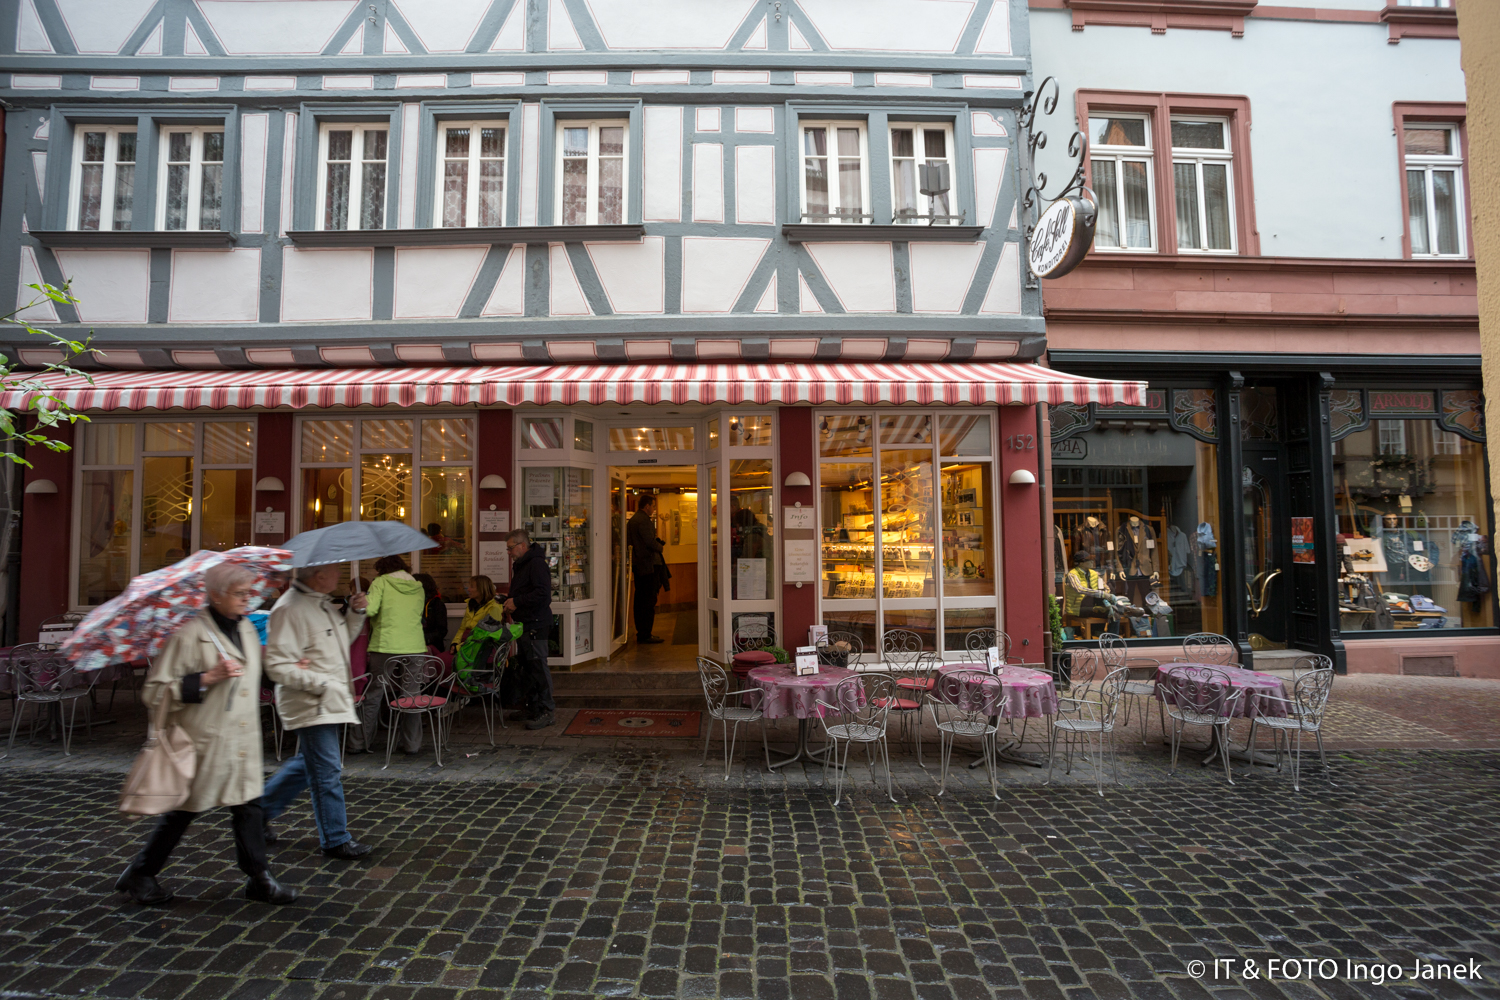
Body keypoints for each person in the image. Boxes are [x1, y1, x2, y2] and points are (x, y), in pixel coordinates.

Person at [115, 562, 296, 907]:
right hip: (204, 742)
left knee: (249, 807)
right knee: (182, 811)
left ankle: (259, 878)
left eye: (250, 592)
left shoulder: (245, 629)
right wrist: (206, 678)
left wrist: (286, 670)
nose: (248, 599)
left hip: (241, 741)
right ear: (215, 595)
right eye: (239, 593)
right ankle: (140, 873)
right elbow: (154, 693)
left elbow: (254, 674)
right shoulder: (188, 635)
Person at [258, 564, 374, 860]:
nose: (340, 575)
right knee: (327, 771)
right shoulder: (290, 608)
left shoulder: (319, 603)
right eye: (335, 571)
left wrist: (355, 612)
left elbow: (341, 640)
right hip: (311, 702)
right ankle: (335, 838)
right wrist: (321, 683)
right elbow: (277, 664)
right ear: (318, 576)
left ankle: (257, 814)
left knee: (307, 765)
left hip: (327, 700)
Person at [359, 555, 427, 755]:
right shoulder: (417, 586)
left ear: (382, 570)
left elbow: (370, 610)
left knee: (374, 693)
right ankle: (412, 744)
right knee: (411, 696)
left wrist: (362, 600)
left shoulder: (381, 582)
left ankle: (360, 742)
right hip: (415, 645)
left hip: (386, 645)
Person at [503, 529, 556, 729]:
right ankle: (533, 707)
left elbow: (543, 594)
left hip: (536, 624)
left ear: (522, 546)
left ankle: (547, 710)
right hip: (526, 624)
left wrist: (517, 601)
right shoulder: (523, 565)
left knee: (538, 667)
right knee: (529, 667)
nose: (509, 552)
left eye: (510, 548)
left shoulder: (535, 564)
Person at [627, 495, 666, 644]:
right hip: (647, 565)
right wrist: (660, 547)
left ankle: (642, 632)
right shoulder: (643, 521)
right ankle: (645, 633)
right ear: (647, 506)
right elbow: (649, 542)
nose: (654, 509)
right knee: (648, 600)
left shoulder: (634, 520)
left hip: (638, 565)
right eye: (653, 506)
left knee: (640, 600)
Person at [454, 575, 504, 649]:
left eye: (472, 587)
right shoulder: (471, 605)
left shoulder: (493, 608)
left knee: (440, 660)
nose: (468, 589)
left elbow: (486, 636)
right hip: (465, 646)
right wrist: (455, 643)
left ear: (481, 589)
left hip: (479, 651)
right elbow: (462, 629)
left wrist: (458, 648)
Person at [413, 571, 448, 650]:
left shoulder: (437, 604)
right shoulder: (411, 603)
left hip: (431, 647)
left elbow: (441, 630)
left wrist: (424, 638)